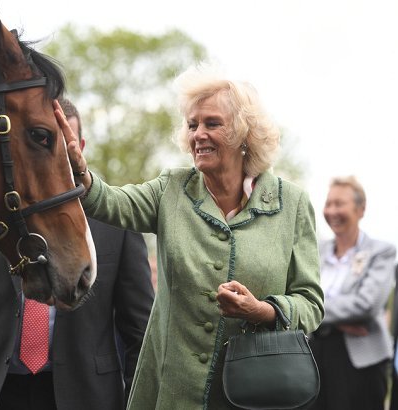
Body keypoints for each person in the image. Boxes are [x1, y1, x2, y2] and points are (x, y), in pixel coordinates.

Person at [54, 64, 324, 409]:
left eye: (212, 123)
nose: (198, 134)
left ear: (245, 133)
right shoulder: (172, 188)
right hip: (173, 395)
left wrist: (262, 310)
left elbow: (311, 303)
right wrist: (79, 170)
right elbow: (110, 203)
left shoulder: (292, 204)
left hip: (256, 394)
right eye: (192, 124)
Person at [0, 97, 155, 410]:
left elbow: (139, 332)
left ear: (81, 146)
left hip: (87, 395)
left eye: (65, 145)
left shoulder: (115, 222)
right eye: (42, 143)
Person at [310, 176, 396, 410]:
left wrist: (312, 312)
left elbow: (366, 304)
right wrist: (338, 321)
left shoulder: (381, 252)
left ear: (361, 209)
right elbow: (297, 294)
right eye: (328, 204)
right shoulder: (315, 250)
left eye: (339, 204)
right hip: (314, 353)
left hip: (361, 360)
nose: (331, 211)